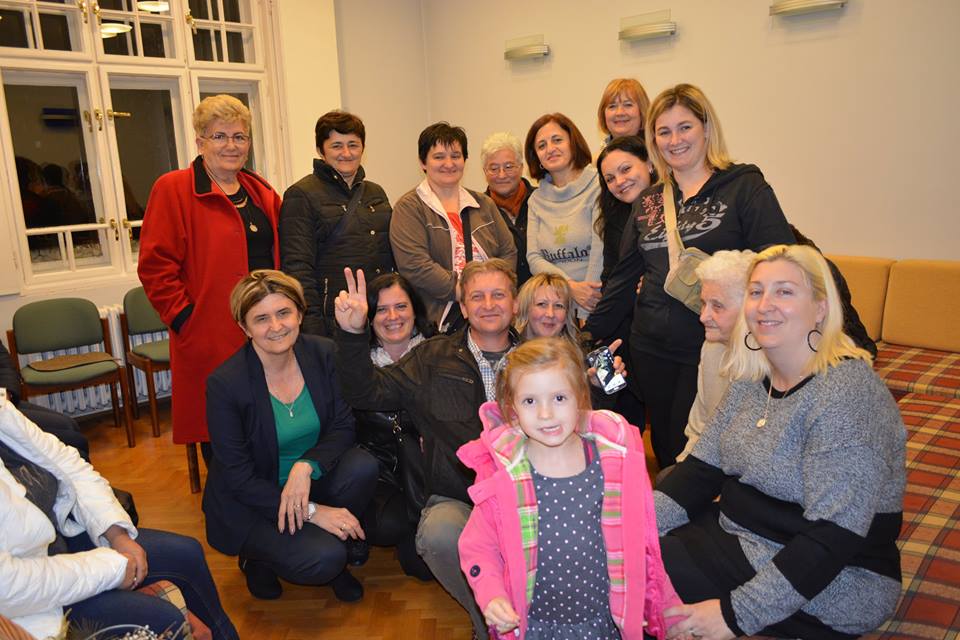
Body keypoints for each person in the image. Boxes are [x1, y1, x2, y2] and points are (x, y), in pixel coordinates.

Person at [656, 245, 906, 640]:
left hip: (836, 580)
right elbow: (699, 472)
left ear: (821, 308)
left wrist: (733, 615)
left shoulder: (848, 396)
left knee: (646, 581)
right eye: (756, 292)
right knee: (628, 556)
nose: (764, 305)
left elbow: (832, 537)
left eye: (784, 291)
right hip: (744, 537)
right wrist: (627, 530)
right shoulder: (753, 379)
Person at [585, 83, 795, 468]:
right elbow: (622, 280)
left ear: (706, 128)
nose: (674, 140)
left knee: (709, 452)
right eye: (663, 132)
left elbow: (780, 262)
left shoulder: (742, 185)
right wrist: (583, 334)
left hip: (715, 346)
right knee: (667, 448)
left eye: (685, 127)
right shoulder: (649, 200)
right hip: (651, 348)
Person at [334, 258, 519, 638]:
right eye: (477, 297)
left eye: (498, 295)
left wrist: (604, 385)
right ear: (463, 307)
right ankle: (488, 623)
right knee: (437, 534)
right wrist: (352, 334)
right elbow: (365, 393)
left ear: (515, 303)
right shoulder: (431, 357)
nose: (488, 305)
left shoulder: (538, 355)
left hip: (527, 495)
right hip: (459, 496)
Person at [458, 337, 682, 639]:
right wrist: (492, 594)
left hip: (601, 622)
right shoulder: (504, 475)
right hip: (536, 625)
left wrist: (666, 608)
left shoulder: (613, 464)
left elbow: (642, 545)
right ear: (512, 408)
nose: (546, 414)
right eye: (530, 401)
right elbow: (479, 546)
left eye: (559, 398)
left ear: (580, 397)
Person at [0, 393, 238, 640]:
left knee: (186, 554)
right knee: (163, 619)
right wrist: (111, 569)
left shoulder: (3, 410)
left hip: (59, 548)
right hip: (32, 607)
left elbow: (69, 464)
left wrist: (117, 535)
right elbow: (9, 587)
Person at [203, 270, 378, 603]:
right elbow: (238, 478)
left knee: (362, 466)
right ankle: (258, 557)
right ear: (244, 327)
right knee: (322, 560)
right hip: (255, 501)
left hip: (308, 481)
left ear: (299, 313)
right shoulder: (225, 384)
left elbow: (344, 425)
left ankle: (334, 546)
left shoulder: (323, 353)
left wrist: (305, 466)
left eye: (284, 312)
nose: (276, 326)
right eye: (261, 319)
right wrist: (314, 512)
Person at [138, 94, 281, 464]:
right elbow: (155, 267)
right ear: (200, 141)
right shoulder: (173, 188)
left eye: (240, 136)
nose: (231, 145)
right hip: (210, 334)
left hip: (267, 331)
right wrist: (186, 318)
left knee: (268, 428)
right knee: (223, 436)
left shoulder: (260, 191)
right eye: (220, 136)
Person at [391, 122, 516, 330]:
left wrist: (494, 292)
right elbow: (415, 265)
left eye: (456, 156)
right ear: (423, 162)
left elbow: (508, 252)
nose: (449, 164)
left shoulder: (484, 204)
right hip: (442, 318)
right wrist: (467, 294)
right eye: (439, 157)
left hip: (492, 311)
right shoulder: (409, 207)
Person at [280, 110, 394, 337]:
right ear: (320, 150)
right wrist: (312, 328)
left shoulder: (375, 192)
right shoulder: (301, 194)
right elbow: (297, 268)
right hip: (334, 319)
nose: (346, 153)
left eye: (353, 145)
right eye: (336, 146)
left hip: (380, 314)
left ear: (363, 148)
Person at [354, 272, 433, 580]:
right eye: (382, 309)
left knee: (422, 569)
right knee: (386, 528)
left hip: (428, 473)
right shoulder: (357, 364)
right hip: (382, 472)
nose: (393, 317)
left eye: (400, 306)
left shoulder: (438, 353)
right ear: (369, 317)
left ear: (415, 309)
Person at [674, 250, 755, 465]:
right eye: (703, 303)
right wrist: (683, 468)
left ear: (748, 308)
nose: (703, 317)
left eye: (717, 306)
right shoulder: (711, 347)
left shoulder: (770, 362)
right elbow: (698, 427)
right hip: (709, 464)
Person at [524, 113, 603, 319]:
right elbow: (533, 258)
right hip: (554, 308)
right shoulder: (535, 200)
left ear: (573, 143)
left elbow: (599, 249)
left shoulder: (598, 185)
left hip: (596, 303)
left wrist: (586, 308)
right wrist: (569, 287)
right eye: (541, 146)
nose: (550, 149)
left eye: (557, 140)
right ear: (536, 156)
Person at [1, 340, 90, 460]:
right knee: (76, 442)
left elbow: (5, 366)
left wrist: (6, 393)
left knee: (69, 424)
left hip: (6, 404)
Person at [481, 132, 534, 287]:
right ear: (484, 171)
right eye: (494, 168)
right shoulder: (477, 212)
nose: (502, 175)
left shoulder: (542, 200)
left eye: (509, 167)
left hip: (544, 295)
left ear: (521, 167)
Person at [513, 273, 580, 347]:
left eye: (558, 306)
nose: (550, 314)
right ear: (525, 309)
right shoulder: (510, 352)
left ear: (567, 315)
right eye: (542, 304)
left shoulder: (575, 353)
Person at [597, 77, 652, 143]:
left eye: (628, 105)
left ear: (642, 110)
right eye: (612, 106)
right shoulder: (602, 149)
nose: (619, 113)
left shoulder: (656, 149)